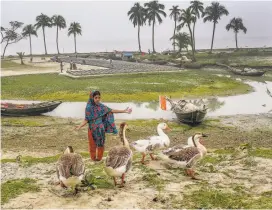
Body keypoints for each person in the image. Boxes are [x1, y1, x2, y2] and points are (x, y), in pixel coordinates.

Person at [75, 90, 132, 161]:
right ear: (92, 98)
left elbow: (111, 110)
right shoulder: (88, 108)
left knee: (101, 144)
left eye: (99, 97)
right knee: (92, 144)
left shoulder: (101, 106)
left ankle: (99, 158)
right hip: (91, 129)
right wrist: (80, 126)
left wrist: (124, 111)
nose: (98, 99)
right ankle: (93, 158)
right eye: (96, 98)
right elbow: (86, 120)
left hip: (100, 129)